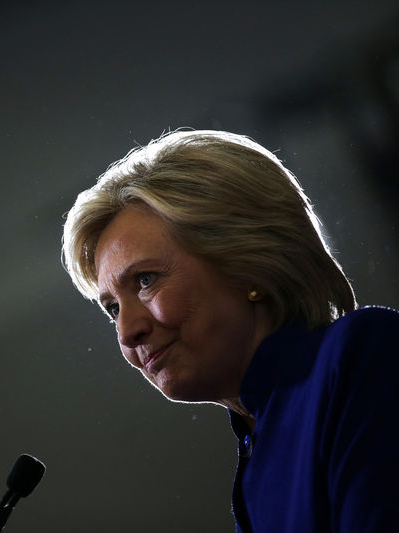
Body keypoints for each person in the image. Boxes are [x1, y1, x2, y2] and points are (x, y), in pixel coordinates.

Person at [61, 129, 399, 532]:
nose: (126, 332)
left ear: (244, 262)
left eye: (146, 280)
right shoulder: (257, 460)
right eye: (113, 309)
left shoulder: (361, 356)